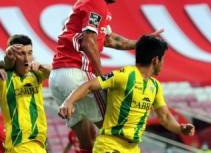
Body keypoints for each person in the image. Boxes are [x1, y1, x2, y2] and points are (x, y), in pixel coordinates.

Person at [49, 0, 163, 152]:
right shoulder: (96, 2)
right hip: (77, 73)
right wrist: (102, 79)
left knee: (87, 144)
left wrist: (141, 43)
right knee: (116, 128)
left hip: (59, 77)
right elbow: (88, 42)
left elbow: (111, 40)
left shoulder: (91, 3)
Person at [59, 35, 195, 153]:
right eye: (163, 59)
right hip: (110, 145)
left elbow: (164, 117)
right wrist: (69, 102)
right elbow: (90, 85)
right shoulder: (124, 75)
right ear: (155, 60)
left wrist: (180, 129)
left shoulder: (155, 86)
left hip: (133, 148)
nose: (163, 64)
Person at [0, 34, 50, 153]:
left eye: (29, 53)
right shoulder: (3, 76)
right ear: (12, 56)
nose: (27, 59)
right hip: (19, 145)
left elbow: (55, 71)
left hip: (39, 145)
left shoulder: (36, 75)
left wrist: (43, 66)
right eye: (22, 53)